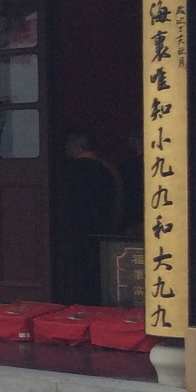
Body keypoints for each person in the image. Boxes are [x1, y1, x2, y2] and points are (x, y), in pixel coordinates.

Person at [59, 129, 122, 304]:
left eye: (69, 144)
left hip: (73, 230)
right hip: (103, 228)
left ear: (78, 147)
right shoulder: (109, 170)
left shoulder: (70, 172)